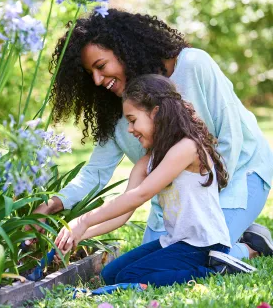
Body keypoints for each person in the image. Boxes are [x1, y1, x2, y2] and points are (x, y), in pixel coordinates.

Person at [32, 8, 273, 268]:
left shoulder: (192, 65)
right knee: (154, 260)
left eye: (101, 66)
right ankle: (237, 236)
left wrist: (205, 211)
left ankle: (252, 247)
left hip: (239, 174)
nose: (98, 80)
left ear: (124, 49)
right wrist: (51, 204)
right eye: (91, 74)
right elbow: (94, 174)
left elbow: (231, 138)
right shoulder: (117, 112)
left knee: (201, 257)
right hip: (176, 198)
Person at [54, 75, 252, 287]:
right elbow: (124, 210)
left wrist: (84, 221)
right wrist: (79, 235)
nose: (130, 129)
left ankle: (217, 270)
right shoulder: (148, 161)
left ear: (155, 113)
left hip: (204, 245)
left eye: (132, 120)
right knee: (110, 275)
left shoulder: (187, 148)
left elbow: (141, 194)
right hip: (176, 241)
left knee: (128, 277)